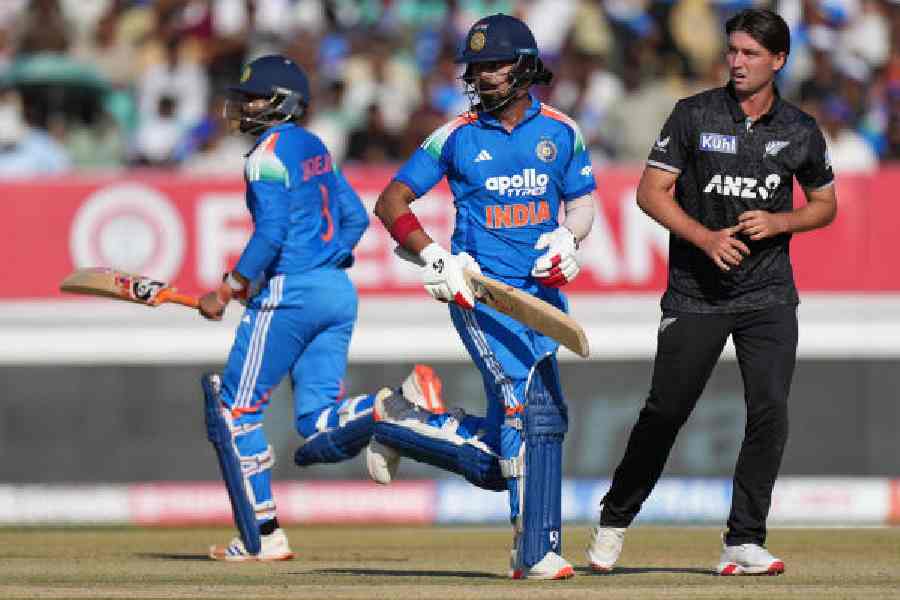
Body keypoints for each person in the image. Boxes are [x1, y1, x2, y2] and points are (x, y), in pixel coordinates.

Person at [586, 8, 837, 576]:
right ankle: (615, 519)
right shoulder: (694, 114)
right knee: (666, 411)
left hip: (769, 294)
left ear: (778, 60)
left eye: (751, 53)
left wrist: (780, 223)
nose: (738, 61)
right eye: (733, 51)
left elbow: (825, 205)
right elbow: (651, 193)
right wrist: (705, 238)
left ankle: (743, 540)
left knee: (769, 410)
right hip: (696, 294)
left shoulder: (800, 129)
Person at [367, 14, 596, 580]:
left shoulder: (562, 131)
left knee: (515, 446)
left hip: (541, 300)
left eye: (494, 65)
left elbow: (583, 202)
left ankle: (403, 422)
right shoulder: (455, 135)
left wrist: (570, 237)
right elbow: (391, 202)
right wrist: (435, 257)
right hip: (479, 293)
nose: (483, 77)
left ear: (524, 66)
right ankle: (535, 552)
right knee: (528, 408)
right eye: (476, 68)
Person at [197, 54, 445, 561]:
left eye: (253, 98)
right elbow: (353, 217)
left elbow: (270, 233)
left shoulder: (265, 156)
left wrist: (230, 286)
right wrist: (322, 262)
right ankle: (389, 404)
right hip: (336, 289)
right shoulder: (314, 146)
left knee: (237, 411)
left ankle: (262, 536)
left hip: (291, 293)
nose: (244, 107)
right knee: (318, 420)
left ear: (282, 104)